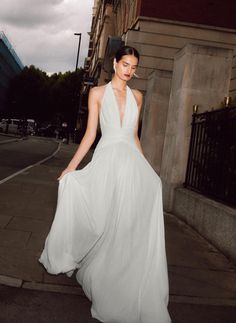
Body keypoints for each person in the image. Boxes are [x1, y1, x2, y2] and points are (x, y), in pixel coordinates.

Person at [39, 45, 171, 323]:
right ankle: (99, 270)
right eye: (125, 64)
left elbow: (134, 136)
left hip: (131, 164)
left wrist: (146, 168)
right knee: (103, 220)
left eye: (134, 67)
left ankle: (123, 278)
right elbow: (90, 135)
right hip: (108, 161)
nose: (129, 71)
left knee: (126, 224)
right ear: (114, 63)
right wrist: (70, 168)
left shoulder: (138, 96)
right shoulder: (97, 93)